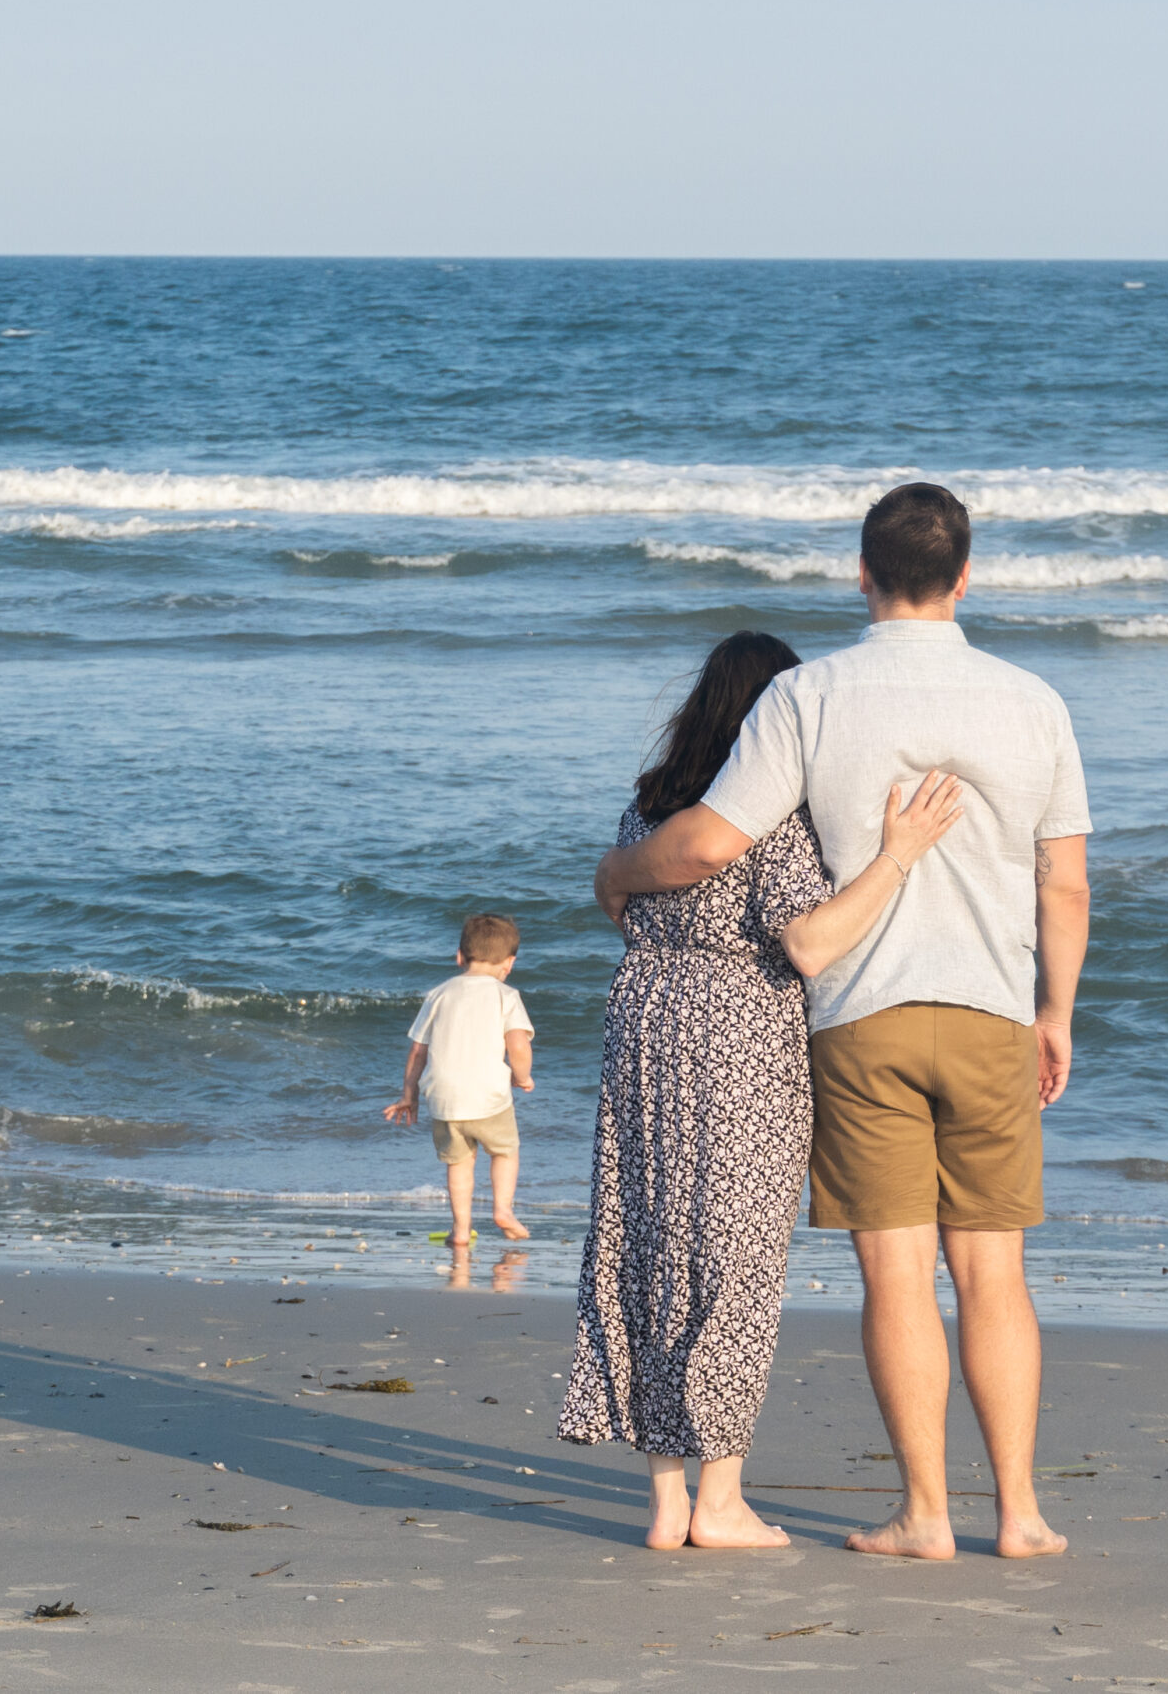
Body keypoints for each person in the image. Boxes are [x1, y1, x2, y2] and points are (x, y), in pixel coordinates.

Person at [593, 483, 1092, 1562]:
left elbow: (707, 844)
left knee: (897, 1274)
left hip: (861, 1014)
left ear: (860, 576)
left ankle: (923, 1514)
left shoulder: (808, 697)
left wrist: (617, 871)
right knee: (995, 1273)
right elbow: (1065, 886)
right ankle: (1018, 1515)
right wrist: (1054, 1012)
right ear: (966, 578)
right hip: (995, 1010)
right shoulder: (1034, 701)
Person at [558, 629, 965, 1551]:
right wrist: (895, 855)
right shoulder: (774, 820)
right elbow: (807, 937)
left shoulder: (646, 810)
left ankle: (666, 1503)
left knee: (648, 1247)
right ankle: (721, 1498)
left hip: (645, 1022)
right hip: (741, 1032)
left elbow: (621, 901)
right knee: (736, 1259)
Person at [385, 913, 535, 1248]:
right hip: (489, 1097)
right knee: (505, 1151)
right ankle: (502, 1210)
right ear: (509, 963)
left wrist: (408, 1095)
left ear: (459, 956)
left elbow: (417, 1053)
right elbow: (519, 1045)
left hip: (444, 1098)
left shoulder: (438, 994)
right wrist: (522, 1077)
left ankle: (461, 1229)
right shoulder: (505, 996)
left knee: (459, 1162)